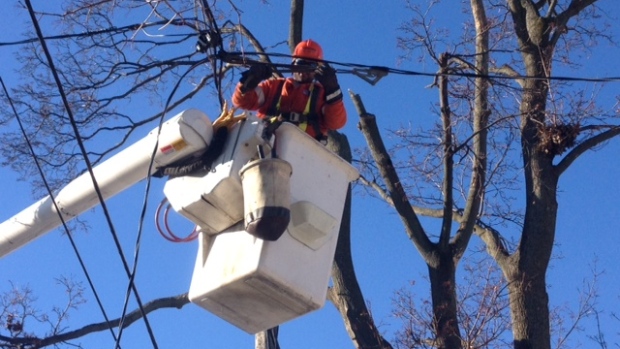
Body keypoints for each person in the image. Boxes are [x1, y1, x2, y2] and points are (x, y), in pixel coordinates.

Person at [232, 39, 346, 141]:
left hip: (302, 154)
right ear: (293, 64)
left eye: (310, 66)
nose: (304, 70)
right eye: (301, 63)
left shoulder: (321, 94)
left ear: (317, 71)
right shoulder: (274, 86)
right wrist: (249, 82)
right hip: (262, 144)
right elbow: (242, 102)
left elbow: (336, 123)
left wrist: (333, 91)